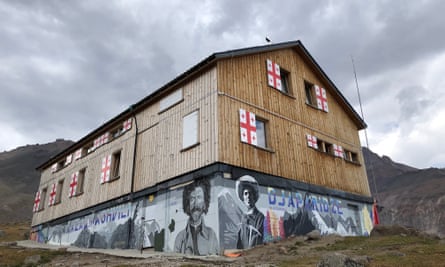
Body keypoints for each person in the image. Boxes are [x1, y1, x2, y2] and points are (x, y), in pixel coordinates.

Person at [174, 179, 219, 255]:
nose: (195, 203)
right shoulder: (180, 237)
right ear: (187, 204)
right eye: (192, 198)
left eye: (199, 197)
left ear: (205, 203)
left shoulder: (211, 235)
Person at [236, 175, 264, 249]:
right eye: (245, 193)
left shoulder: (259, 216)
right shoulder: (243, 217)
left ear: (254, 196)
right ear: (243, 197)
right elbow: (240, 237)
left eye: (250, 193)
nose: (248, 196)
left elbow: (257, 237)